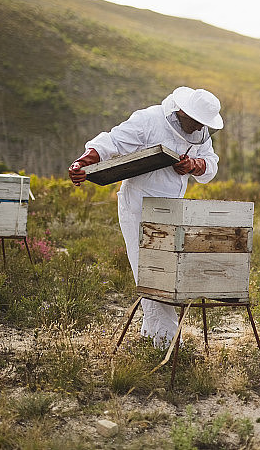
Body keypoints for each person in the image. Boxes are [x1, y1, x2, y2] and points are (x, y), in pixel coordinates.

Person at [68, 86, 223, 348]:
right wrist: (84, 161)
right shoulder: (148, 120)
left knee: (163, 271)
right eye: (195, 122)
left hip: (172, 209)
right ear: (181, 112)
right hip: (137, 206)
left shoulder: (201, 133)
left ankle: (150, 336)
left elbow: (211, 164)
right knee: (150, 273)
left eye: (203, 124)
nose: (198, 128)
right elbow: (112, 141)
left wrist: (194, 165)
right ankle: (167, 342)